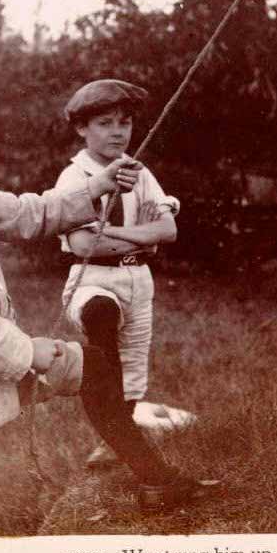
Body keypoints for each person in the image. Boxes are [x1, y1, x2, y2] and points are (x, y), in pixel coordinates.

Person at [0, 60, 214, 532]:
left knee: (97, 366)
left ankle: (157, 480)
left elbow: (34, 213)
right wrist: (31, 353)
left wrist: (97, 186)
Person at [54, 79, 180, 469]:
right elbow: (83, 246)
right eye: (105, 123)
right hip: (92, 277)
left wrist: (112, 233)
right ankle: (110, 432)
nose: (118, 132)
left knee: (133, 362)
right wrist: (142, 238)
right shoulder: (75, 178)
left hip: (137, 278)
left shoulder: (139, 172)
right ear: (82, 128)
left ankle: (118, 437)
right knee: (100, 319)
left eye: (124, 122)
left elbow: (168, 231)